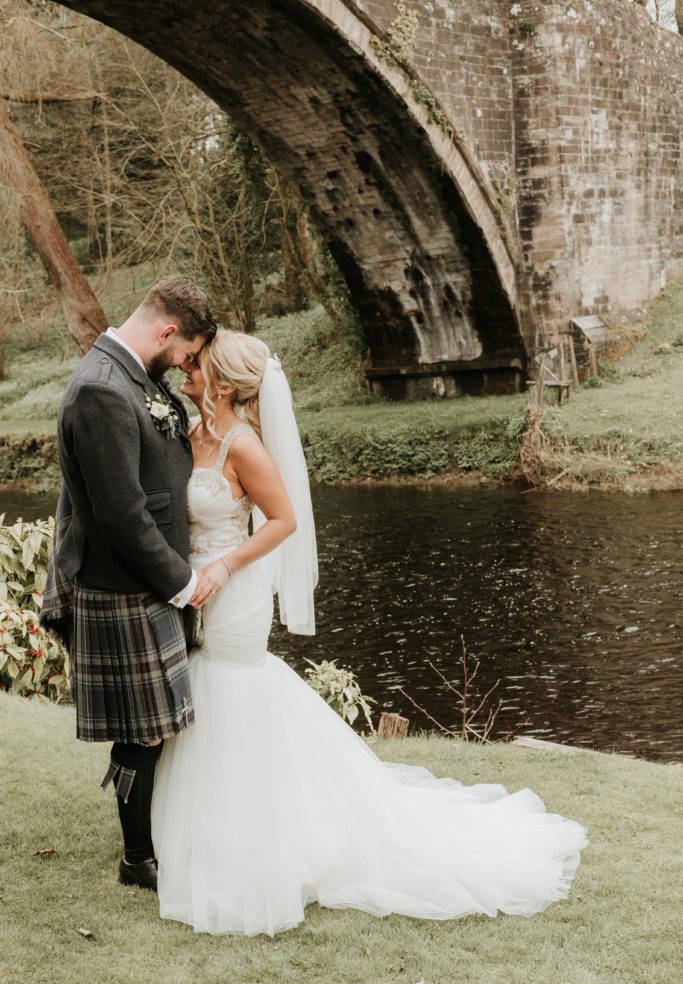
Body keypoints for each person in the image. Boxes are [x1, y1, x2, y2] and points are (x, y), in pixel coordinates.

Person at [151, 329, 588, 938]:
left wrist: (223, 566)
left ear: (221, 382)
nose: (184, 368)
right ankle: (218, 829)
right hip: (196, 585)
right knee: (213, 687)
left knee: (232, 688)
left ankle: (257, 841)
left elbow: (284, 521)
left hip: (236, 590)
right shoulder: (192, 434)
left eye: (195, 364)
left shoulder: (245, 446)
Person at [40, 276, 217, 891]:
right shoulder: (100, 390)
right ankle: (137, 859)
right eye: (188, 353)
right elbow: (119, 513)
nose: (187, 365)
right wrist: (181, 581)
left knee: (153, 722)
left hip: (144, 578)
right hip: (124, 583)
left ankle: (144, 846)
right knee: (142, 724)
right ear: (167, 331)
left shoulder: (137, 378)